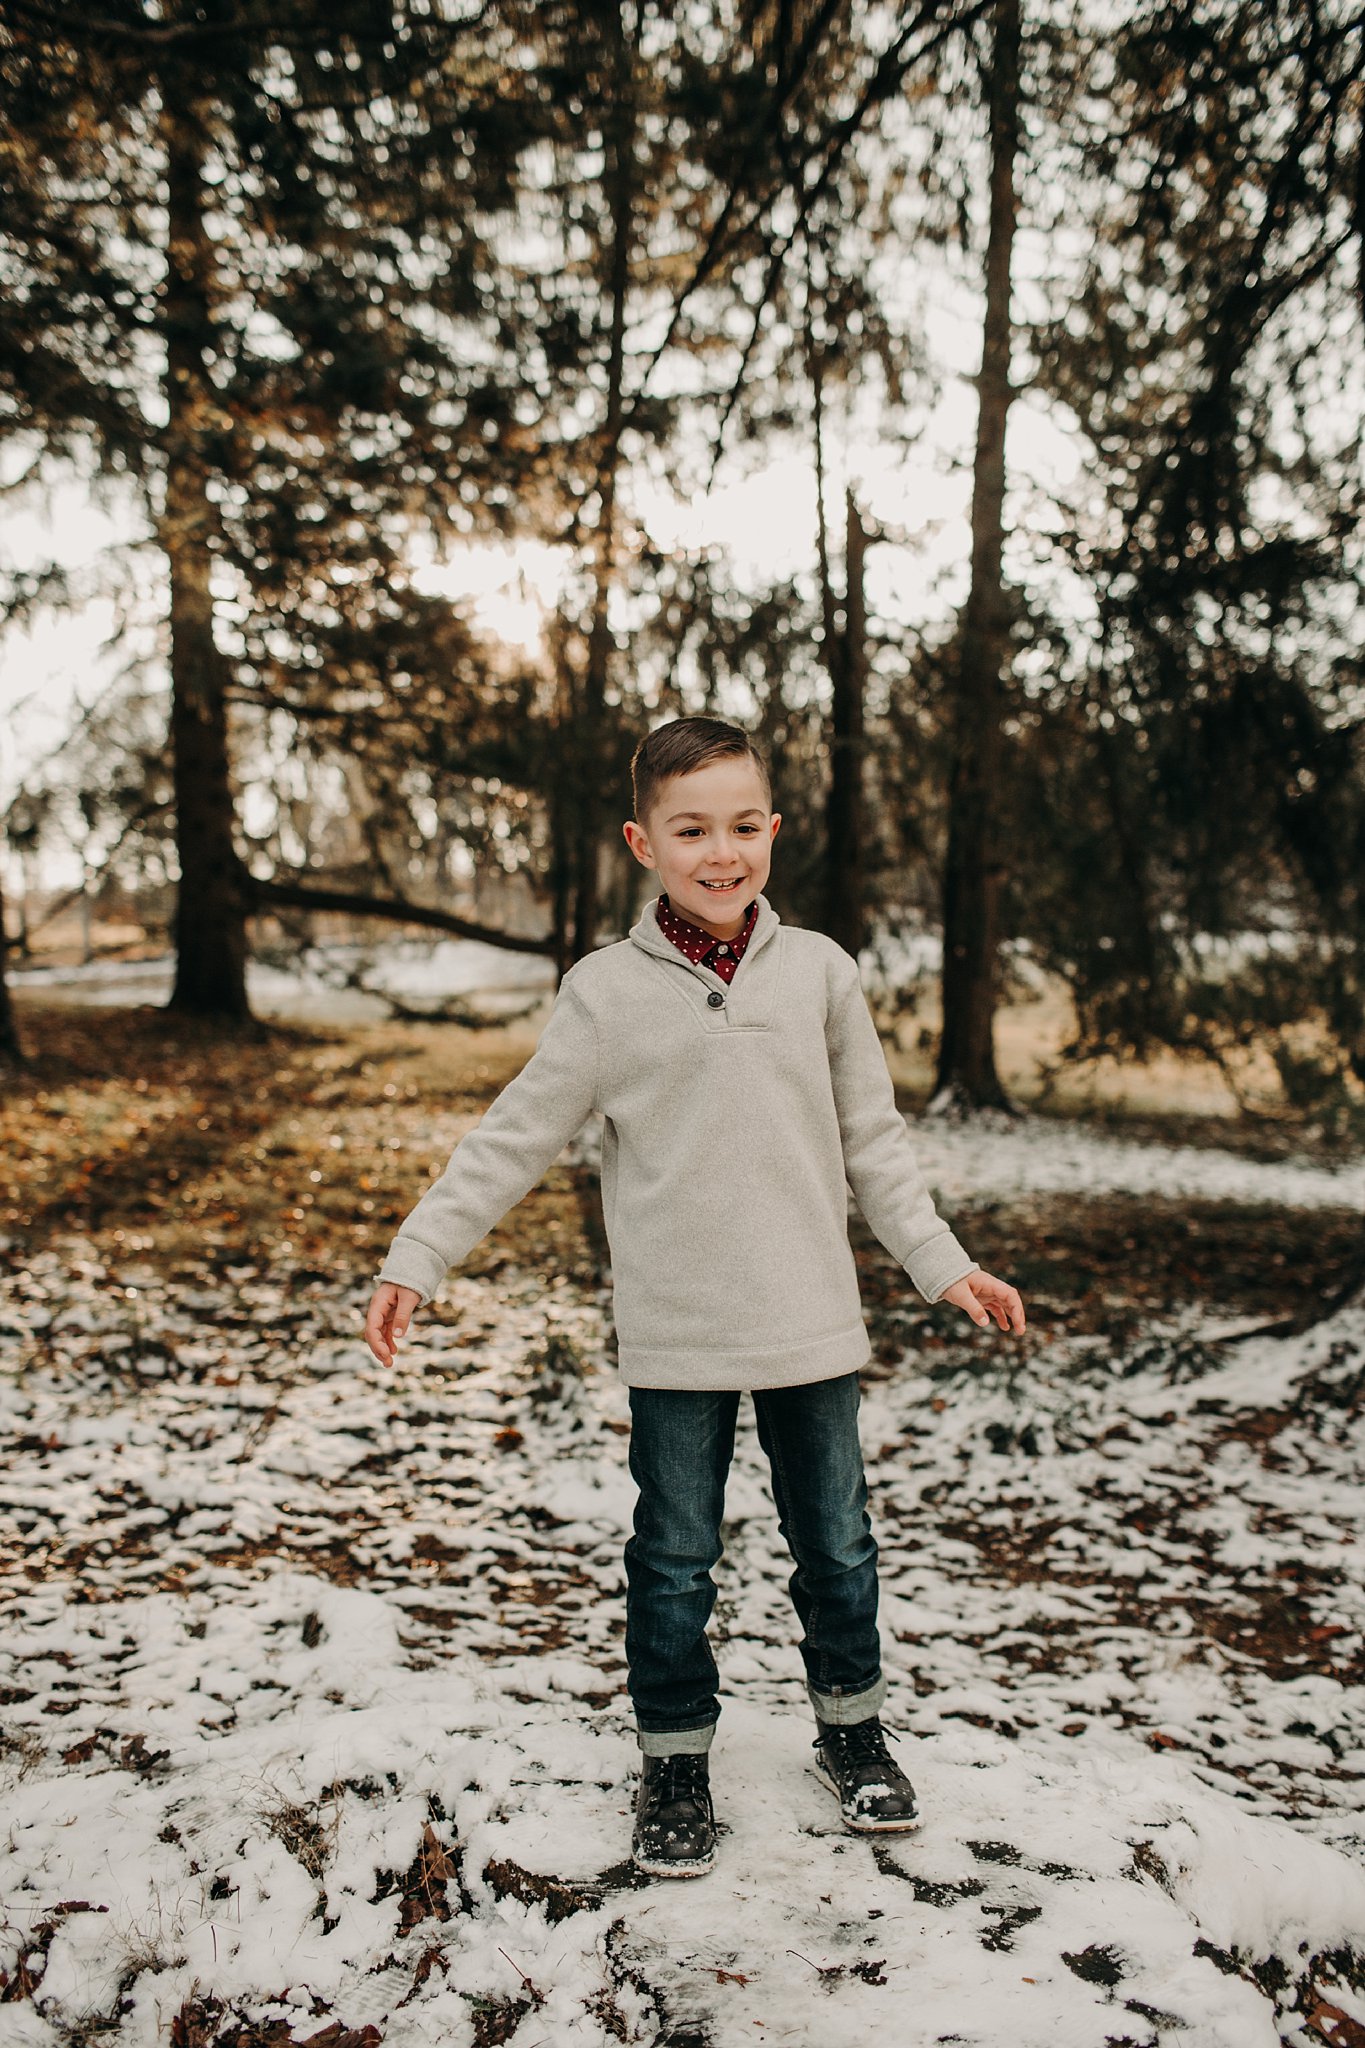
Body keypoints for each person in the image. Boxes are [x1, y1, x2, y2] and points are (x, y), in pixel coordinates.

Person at [364, 715, 1025, 1879]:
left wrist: (944, 1261)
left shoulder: (821, 973)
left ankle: (854, 1731)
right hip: (676, 1337)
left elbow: (874, 1142)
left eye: (741, 826)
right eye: (691, 831)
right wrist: (419, 1253)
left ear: (773, 830)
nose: (721, 853)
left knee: (838, 1546)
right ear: (643, 842)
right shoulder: (605, 994)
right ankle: (673, 1759)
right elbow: (514, 1136)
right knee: (673, 1557)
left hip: (811, 1325)